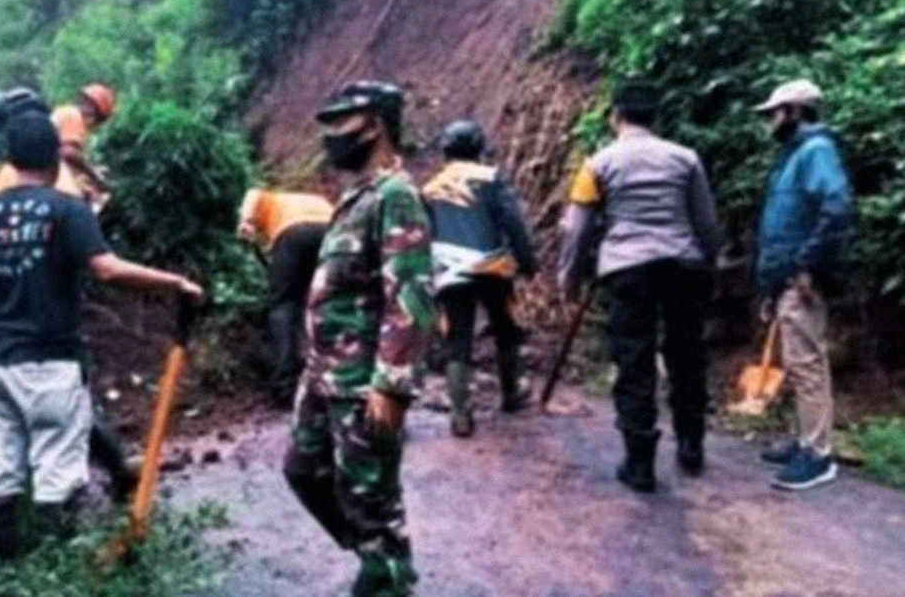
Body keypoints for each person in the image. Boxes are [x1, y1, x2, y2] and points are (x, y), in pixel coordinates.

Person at [0, 109, 203, 560]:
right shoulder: (66, 209)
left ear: (9, 160)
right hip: (49, 362)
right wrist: (174, 283)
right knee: (57, 474)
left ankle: (9, 575)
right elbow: (107, 270)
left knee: (1, 470)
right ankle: (60, 578)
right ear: (57, 157)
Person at [283, 81, 434, 597]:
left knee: (372, 501)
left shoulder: (397, 196)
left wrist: (391, 384)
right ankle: (381, 556)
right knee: (302, 470)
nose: (330, 138)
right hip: (324, 377)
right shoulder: (357, 200)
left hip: (361, 385)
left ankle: (386, 571)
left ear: (373, 123)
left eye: (339, 124)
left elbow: (410, 295)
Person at [558, 80, 721, 493]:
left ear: (616, 116)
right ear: (655, 117)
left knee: (634, 358)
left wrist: (570, 280)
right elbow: (705, 221)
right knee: (686, 352)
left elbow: (577, 231)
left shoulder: (598, 164)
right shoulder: (686, 159)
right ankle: (691, 444)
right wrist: (709, 261)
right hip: (682, 263)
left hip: (628, 267)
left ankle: (640, 462)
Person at [753, 79, 853, 490]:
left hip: (800, 276)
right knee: (802, 362)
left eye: (775, 113)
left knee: (806, 363)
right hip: (787, 275)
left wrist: (809, 264)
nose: (770, 121)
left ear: (795, 111)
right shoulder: (795, 154)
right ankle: (806, 440)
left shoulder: (815, 151)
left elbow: (837, 206)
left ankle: (818, 455)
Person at [422, 119, 536, 437]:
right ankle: (511, 394)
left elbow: (424, 234)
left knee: (456, 339)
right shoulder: (491, 177)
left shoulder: (429, 188)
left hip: (449, 272)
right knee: (507, 329)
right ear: (479, 148)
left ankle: (461, 414)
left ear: (445, 150)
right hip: (493, 267)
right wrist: (526, 261)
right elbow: (512, 221)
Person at [236, 185, 333, 407]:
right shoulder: (317, 198)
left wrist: (247, 220)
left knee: (284, 307)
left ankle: (285, 386)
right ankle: (332, 375)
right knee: (325, 304)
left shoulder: (271, 199)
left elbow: (252, 192)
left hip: (293, 233)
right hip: (331, 234)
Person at [0, 83, 115, 203]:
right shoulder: (73, 115)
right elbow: (68, 153)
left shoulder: (62, 115)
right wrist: (95, 177)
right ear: (93, 113)